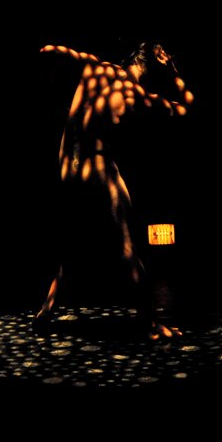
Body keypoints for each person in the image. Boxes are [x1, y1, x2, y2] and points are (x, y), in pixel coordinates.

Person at [35, 42, 193, 339]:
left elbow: (48, 50)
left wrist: (58, 95)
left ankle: (46, 311)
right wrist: (173, 74)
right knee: (127, 244)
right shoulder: (136, 96)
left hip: (67, 167)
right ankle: (150, 323)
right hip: (96, 168)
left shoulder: (97, 67)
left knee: (75, 244)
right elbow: (186, 107)